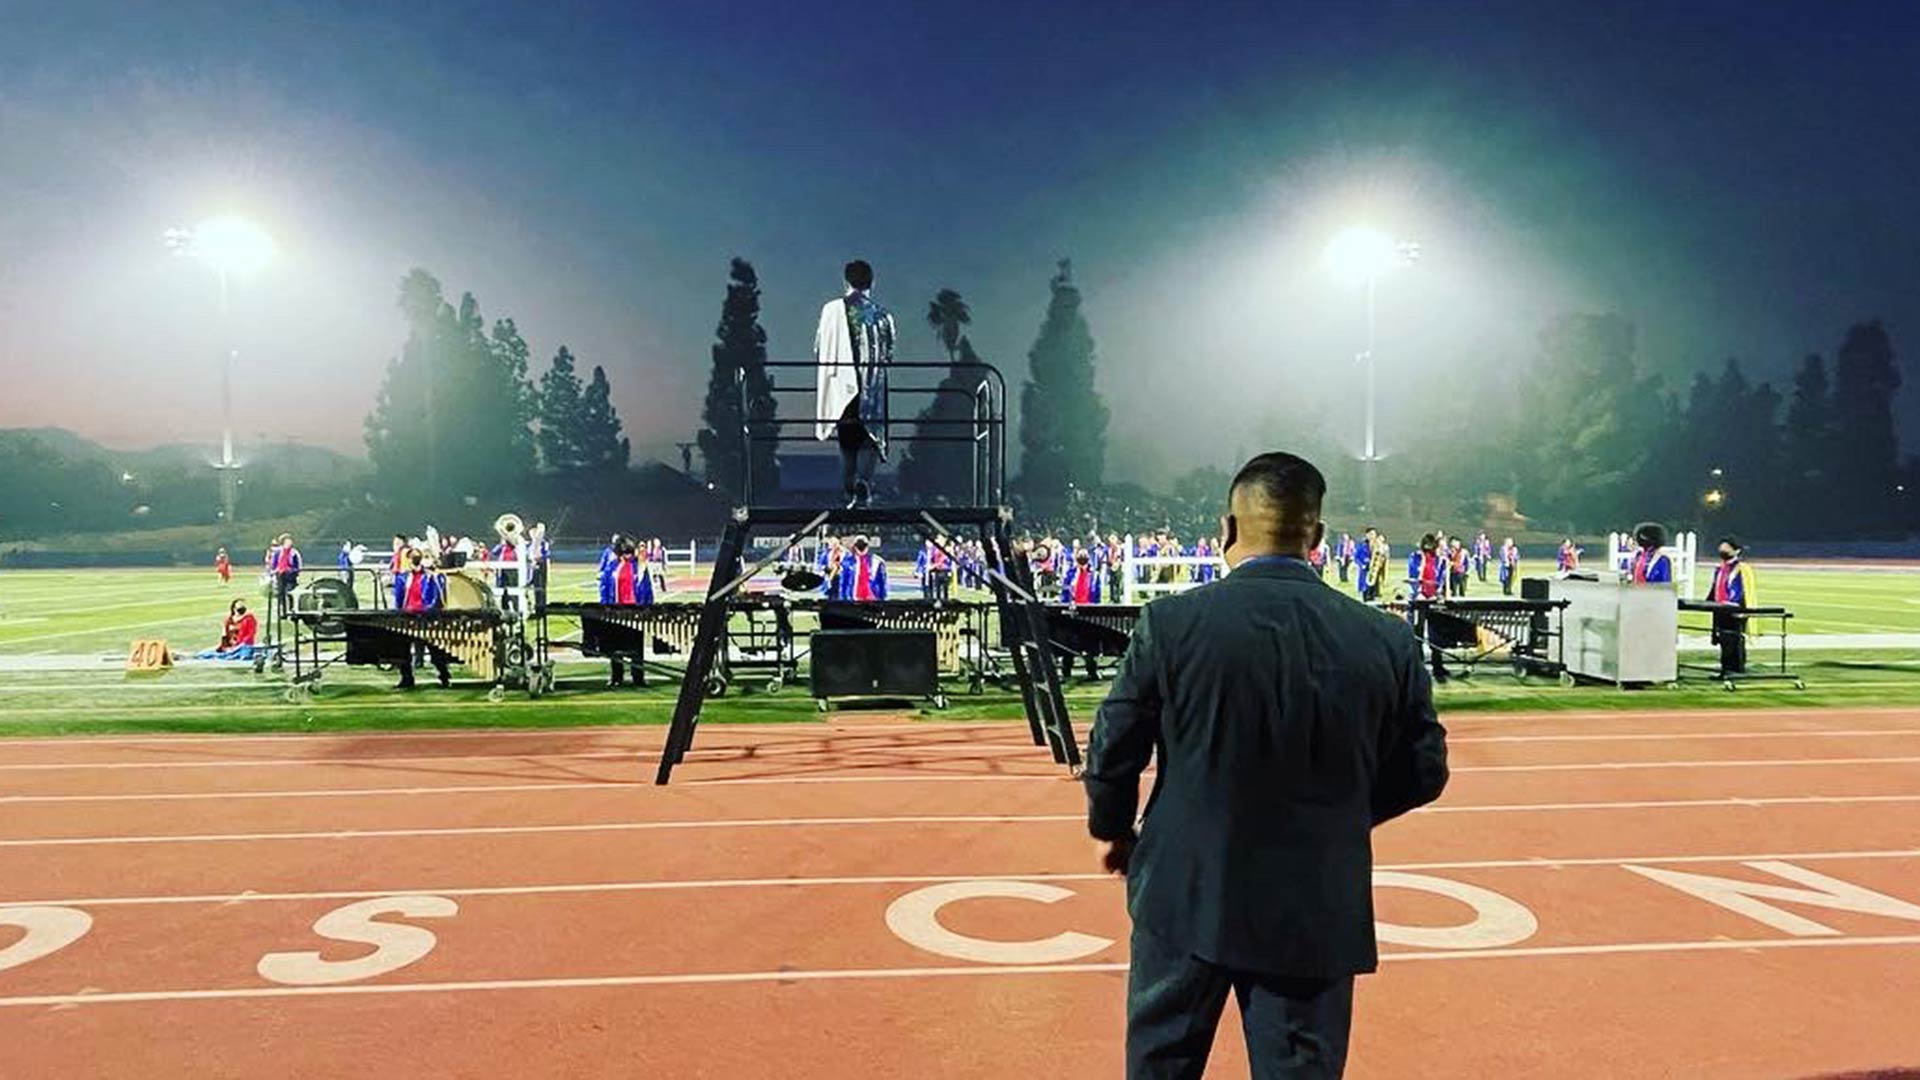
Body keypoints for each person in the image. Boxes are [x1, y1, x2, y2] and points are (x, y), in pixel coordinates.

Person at [1083, 451, 1449, 1080]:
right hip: (1314, 901)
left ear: (1227, 530)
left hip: (1185, 888)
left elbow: (1114, 742)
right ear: (1318, 537)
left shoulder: (1171, 624)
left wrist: (1112, 828)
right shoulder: (1385, 637)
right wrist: (1340, 813)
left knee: (1161, 1067)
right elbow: (1424, 768)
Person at [815, 259, 895, 507]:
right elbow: (889, 353)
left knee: (846, 442)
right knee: (870, 440)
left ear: (846, 282)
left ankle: (849, 488)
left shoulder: (831, 311)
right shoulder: (883, 315)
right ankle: (865, 482)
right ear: (872, 283)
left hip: (842, 388)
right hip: (872, 389)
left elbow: (819, 346)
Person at [391, 549, 450, 690]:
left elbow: (437, 597)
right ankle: (407, 678)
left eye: (415, 558)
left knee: (435, 649)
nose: (413, 560)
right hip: (408, 616)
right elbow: (399, 599)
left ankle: (444, 675)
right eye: (411, 558)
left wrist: (429, 611)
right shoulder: (403, 577)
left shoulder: (430, 576)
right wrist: (399, 613)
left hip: (425, 617)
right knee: (402, 649)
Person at [599, 538, 655, 687]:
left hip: (635, 611)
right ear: (619, 553)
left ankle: (638, 677)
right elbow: (604, 588)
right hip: (616, 610)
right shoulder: (611, 567)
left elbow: (647, 587)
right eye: (625, 553)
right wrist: (605, 606)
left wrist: (648, 606)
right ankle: (616, 676)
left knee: (637, 647)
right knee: (615, 647)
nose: (629, 556)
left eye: (630, 553)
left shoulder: (639, 567)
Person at [1705, 536, 1756, 675]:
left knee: (1734, 639)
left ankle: (1737, 668)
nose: (1722, 550)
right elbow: (1715, 587)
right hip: (1720, 609)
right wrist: (1708, 602)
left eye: (1726, 547)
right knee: (1723, 639)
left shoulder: (1741, 568)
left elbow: (1741, 589)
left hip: (1735, 609)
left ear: (1736, 550)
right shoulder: (1719, 568)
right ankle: (1725, 668)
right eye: (1721, 547)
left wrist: (1733, 604)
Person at [834, 535, 887, 600]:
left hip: (872, 599)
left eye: (863, 545)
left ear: (867, 546)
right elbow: (843, 583)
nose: (861, 548)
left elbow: (882, 584)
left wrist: (881, 600)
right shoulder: (847, 562)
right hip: (853, 599)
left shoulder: (877, 561)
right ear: (855, 546)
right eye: (858, 545)